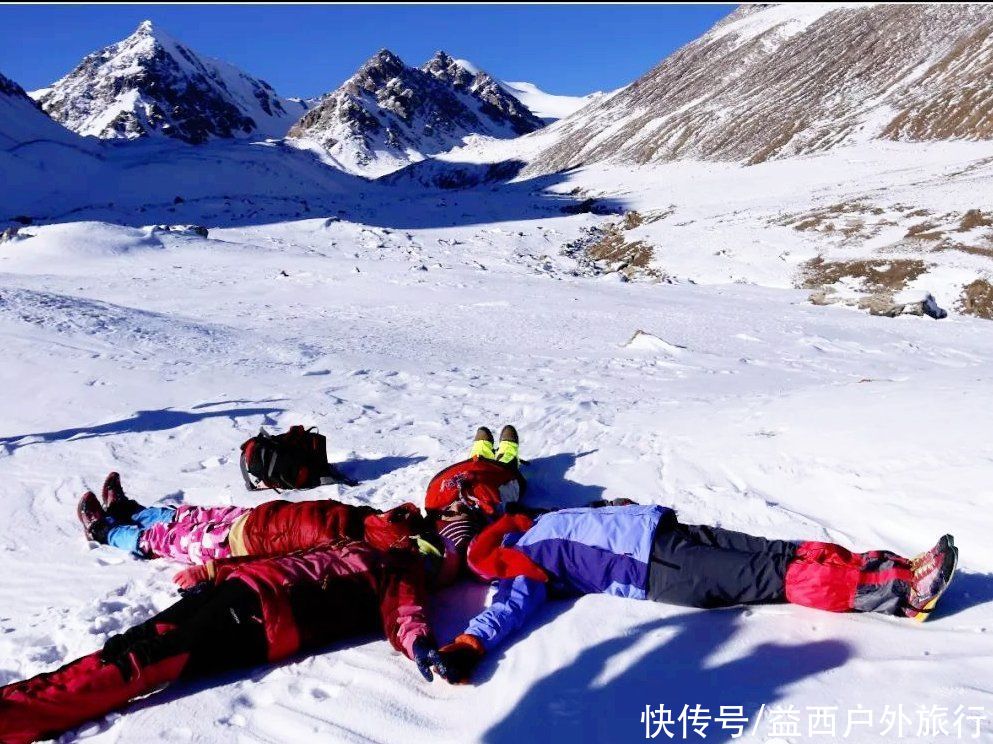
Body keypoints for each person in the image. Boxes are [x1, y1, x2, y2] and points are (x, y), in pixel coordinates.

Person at [0, 531, 459, 743]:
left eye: (423, 551)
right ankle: (20, 701)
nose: (412, 549)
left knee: (144, 663)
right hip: (236, 590)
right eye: (414, 544)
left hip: (262, 620)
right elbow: (290, 556)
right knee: (127, 645)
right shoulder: (359, 547)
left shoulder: (398, 572)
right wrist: (216, 570)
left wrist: (419, 644)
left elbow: (404, 613)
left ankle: (14, 718)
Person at [427, 505, 959, 684]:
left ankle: (893, 567)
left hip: (667, 533)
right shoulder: (512, 564)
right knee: (777, 578)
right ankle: (903, 593)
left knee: (784, 552)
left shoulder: (534, 524)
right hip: (663, 569)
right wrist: (469, 645)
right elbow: (508, 610)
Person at [75, 424, 525, 573]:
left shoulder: (366, 551)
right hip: (264, 517)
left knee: (169, 540)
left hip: (241, 546)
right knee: (193, 514)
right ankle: (132, 509)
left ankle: (110, 530)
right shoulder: (376, 522)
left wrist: (217, 574)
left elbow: (296, 571)